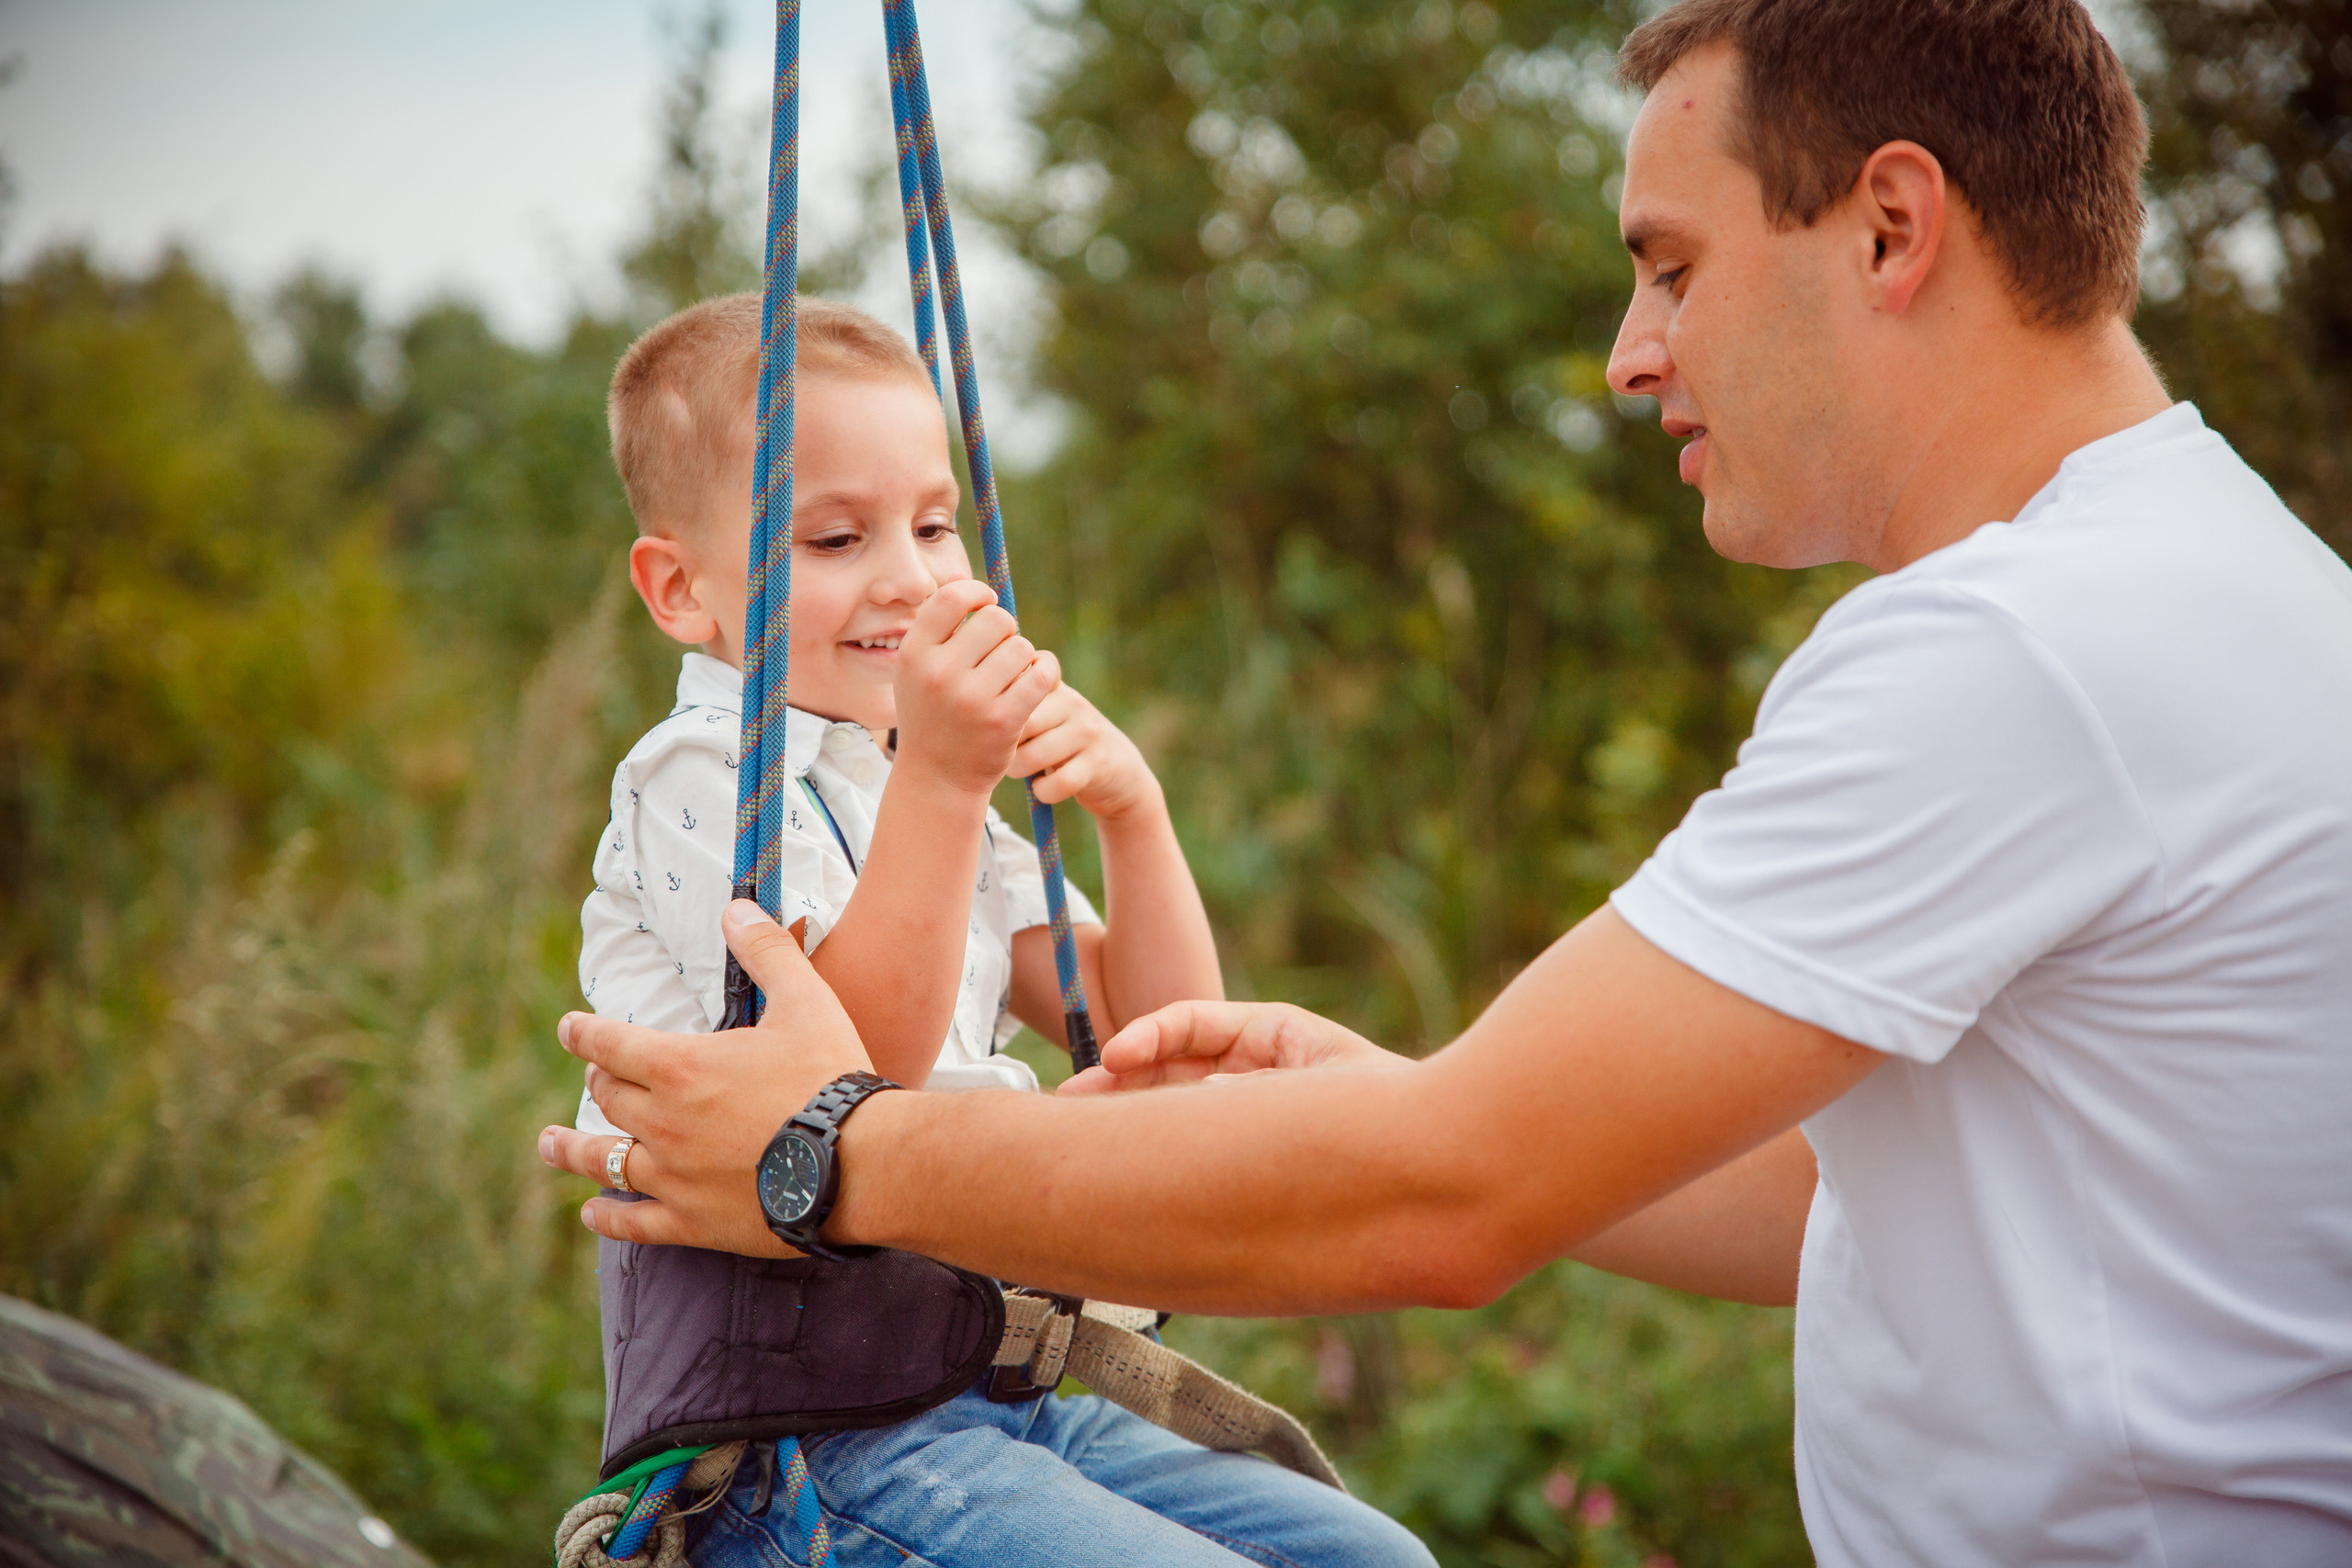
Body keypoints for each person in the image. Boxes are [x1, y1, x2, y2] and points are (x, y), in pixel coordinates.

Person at [540, 2, 2352, 1563]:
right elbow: (1863, 1200)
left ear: (1888, 226)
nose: (1631, 351)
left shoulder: (2016, 647)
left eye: (1669, 264)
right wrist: (1416, 1094)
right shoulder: (2219, 578)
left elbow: (1442, 1206)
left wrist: (814, 1149)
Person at [580, 293, 1432, 1568]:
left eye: (932, 524)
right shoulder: (702, 778)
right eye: (832, 537)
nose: (912, 579)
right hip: (802, 1444)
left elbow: (1160, 1040)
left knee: (1378, 1561)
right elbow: (843, 1096)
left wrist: (1133, 814)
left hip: (990, 1394)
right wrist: (945, 780)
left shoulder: (913, 771)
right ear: (682, 590)